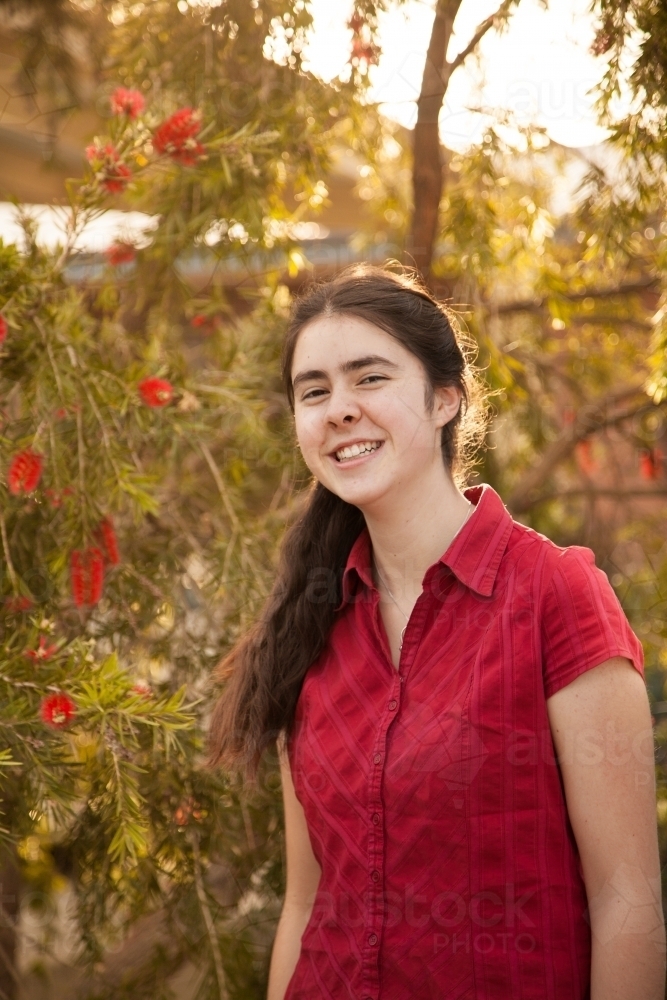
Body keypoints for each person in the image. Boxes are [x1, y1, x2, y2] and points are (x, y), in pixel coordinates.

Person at [208, 264, 665, 1000]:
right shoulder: (309, 621)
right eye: (314, 391)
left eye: (369, 378)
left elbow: (627, 903)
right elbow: (305, 905)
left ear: (446, 397)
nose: (338, 410)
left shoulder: (555, 596)